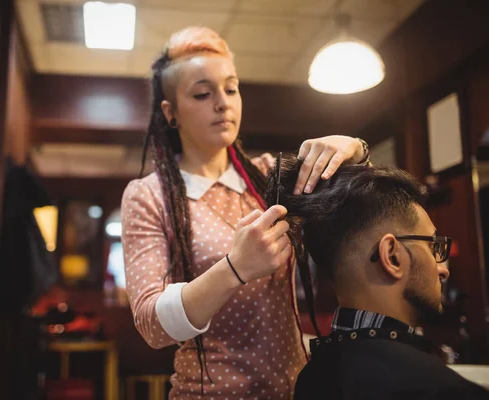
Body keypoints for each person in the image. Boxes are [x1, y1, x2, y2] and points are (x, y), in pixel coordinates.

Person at [121, 26, 371, 399]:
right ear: (171, 113)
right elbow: (151, 324)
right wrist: (234, 268)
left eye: (231, 88)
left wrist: (354, 149)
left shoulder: (269, 175)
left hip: (296, 388)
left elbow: (364, 204)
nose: (223, 103)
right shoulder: (149, 196)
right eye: (203, 93)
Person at [264, 157, 489, 399]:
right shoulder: (440, 391)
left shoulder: (311, 377)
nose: (442, 269)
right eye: (434, 247)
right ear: (391, 256)